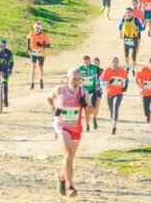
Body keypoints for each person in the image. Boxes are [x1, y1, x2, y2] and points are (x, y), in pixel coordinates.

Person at [49, 68, 91, 197]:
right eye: (74, 79)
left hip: (76, 127)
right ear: (68, 79)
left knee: (69, 159)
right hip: (61, 126)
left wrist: (84, 105)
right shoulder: (60, 90)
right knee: (67, 153)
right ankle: (70, 186)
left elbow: (90, 110)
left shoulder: (83, 91)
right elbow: (49, 98)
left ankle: (61, 178)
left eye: (79, 79)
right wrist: (53, 109)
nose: (77, 82)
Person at [99, 57, 128, 135]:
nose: (114, 64)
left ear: (118, 63)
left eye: (116, 62)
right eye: (113, 62)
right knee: (112, 112)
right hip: (109, 94)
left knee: (115, 109)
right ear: (111, 63)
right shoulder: (107, 71)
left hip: (119, 93)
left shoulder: (122, 71)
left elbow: (126, 79)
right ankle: (113, 121)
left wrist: (125, 87)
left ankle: (114, 128)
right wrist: (108, 82)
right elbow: (101, 83)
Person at [78, 56, 102, 132]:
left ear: (90, 61)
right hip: (85, 91)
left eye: (88, 61)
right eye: (85, 61)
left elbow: (103, 75)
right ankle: (87, 124)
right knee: (86, 108)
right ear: (83, 62)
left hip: (94, 90)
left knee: (94, 106)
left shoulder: (95, 67)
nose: (86, 63)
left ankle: (94, 119)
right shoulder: (80, 68)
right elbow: (76, 78)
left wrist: (99, 86)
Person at [119, 7, 143, 73]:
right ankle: (127, 65)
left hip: (134, 38)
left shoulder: (135, 20)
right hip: (126, 38)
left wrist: (136, 30)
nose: (128, 14)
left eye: (129, 12)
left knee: (133, 55)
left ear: (132, 13)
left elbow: (141, 28)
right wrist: (120, 34)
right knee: (126, 54)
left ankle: (133, 68)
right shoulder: (123, 19)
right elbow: (120, 26)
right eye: (127, 12)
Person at [27, 22, 50, 89]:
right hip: (33, 52)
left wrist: (42, 45)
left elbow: (49, 45)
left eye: (38, 28)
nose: (37, 29)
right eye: (35, 28)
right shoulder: (31, 33)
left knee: (40, 67)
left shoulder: (44, 35)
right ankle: (32, 83)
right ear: (34, 28)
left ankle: (41, 80)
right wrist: (28, 48)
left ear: (40, 29)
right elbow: (28, 39)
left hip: (41, 53)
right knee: (33, 66)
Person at [0, 39, 14, 107]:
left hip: (5, 69)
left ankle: (5, 100)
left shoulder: (9, 53)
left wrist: (10, 69)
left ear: (5, 46)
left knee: (5, 85)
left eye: (2, 46)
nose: (1, 48)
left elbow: (11, 62)